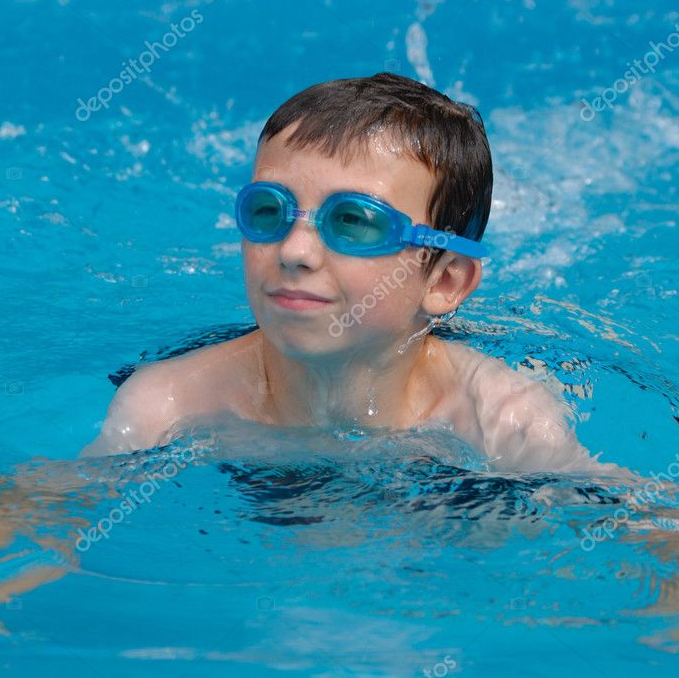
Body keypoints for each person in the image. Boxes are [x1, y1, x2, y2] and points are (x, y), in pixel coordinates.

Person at [82, 72, 619, 476]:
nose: (294, 251)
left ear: (444, 281)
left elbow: (646, 526)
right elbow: (49, 514)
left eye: (354, 223)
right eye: (269, 211)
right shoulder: (167, 401)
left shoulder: (500, 419)